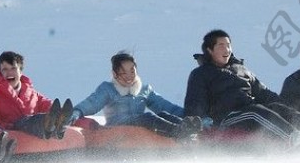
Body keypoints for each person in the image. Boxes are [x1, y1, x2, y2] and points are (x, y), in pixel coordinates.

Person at [184, 29, 300, 148]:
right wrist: (201, 122)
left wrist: (282, 104)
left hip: (247, 110)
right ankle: (290, 136)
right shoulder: (201, 74)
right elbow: (195, 101)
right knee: (255, 112)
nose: (226, 49)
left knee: (274, 107)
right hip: (225, 117)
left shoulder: (241, 69)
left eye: (228, 45)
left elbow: (262, 92)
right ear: (210, 50)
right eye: (221, 45)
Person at [68, 52, 202, 138]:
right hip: (117, 127)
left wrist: (188, 115)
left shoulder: (143, 89)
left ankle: (188, 127)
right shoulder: (108, 89)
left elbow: (164, 106)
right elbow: (92, 103)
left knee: (162, 115)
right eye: (123, 73)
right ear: (114, 74)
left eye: (132, 72)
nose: (129, 77)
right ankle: (179, 131)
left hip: (141, 125)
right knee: (148, 117)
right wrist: (76, 112)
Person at [0, 51, 75, 139]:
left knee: (42, 117)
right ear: (0, 73)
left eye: (13, 68)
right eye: (5, 69)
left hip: (34, 132)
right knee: (26, 121)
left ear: (20, 71)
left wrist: (59, 110)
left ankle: (58, 125)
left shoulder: (33, 94)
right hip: (8, 131)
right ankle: (49, 125)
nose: (9, 73)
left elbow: (47, 105)